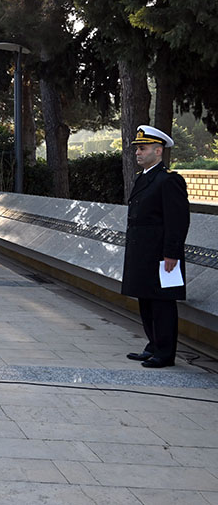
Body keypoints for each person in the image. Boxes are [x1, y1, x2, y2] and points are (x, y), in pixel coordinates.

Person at [122, 125, 191, 368]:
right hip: (143, 253)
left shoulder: (169, 180)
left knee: (162, 303)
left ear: (158, 151)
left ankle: (165, 353)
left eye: (143, 148)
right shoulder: (144, 178)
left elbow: (177, 220)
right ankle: (153, 345)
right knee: (146, 300)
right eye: (137, 149)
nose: (138, 153)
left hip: (161, 255)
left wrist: (171, 253)